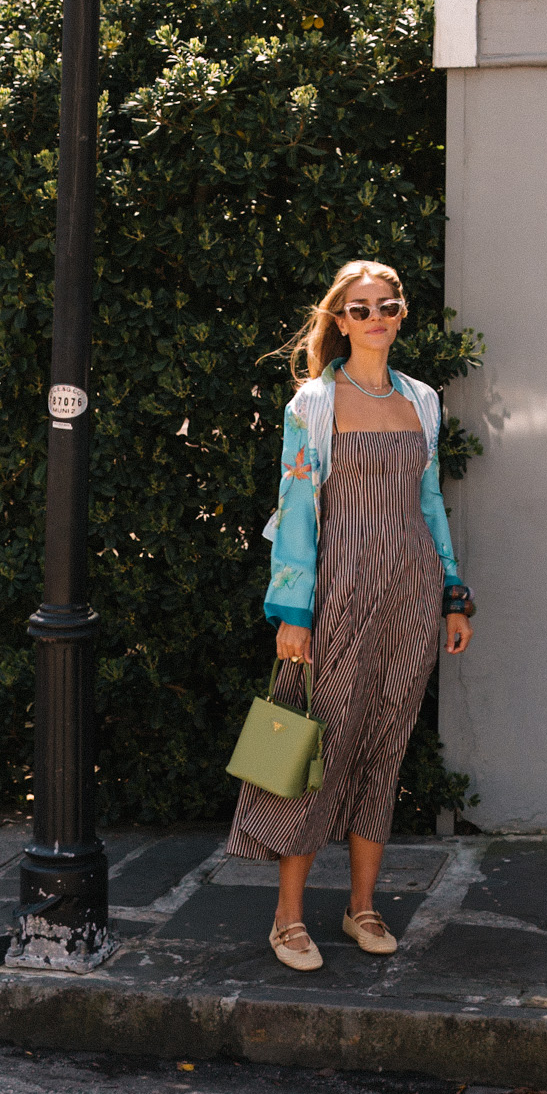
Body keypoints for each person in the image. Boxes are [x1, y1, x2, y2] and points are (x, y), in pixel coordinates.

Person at [224, 260, 475, 970]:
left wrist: (453, 592)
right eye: (360, 308)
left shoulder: (423, 400)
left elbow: (430, 505)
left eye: (386, 306)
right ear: (339, 319)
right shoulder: (312, 403)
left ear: (400, 315)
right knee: (314, 747)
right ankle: (287, 917)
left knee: (386, 745)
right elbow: (298, 513)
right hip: (335, 596)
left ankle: (362, 904)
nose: (375, 318)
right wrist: (292, 612)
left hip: (411, 593)